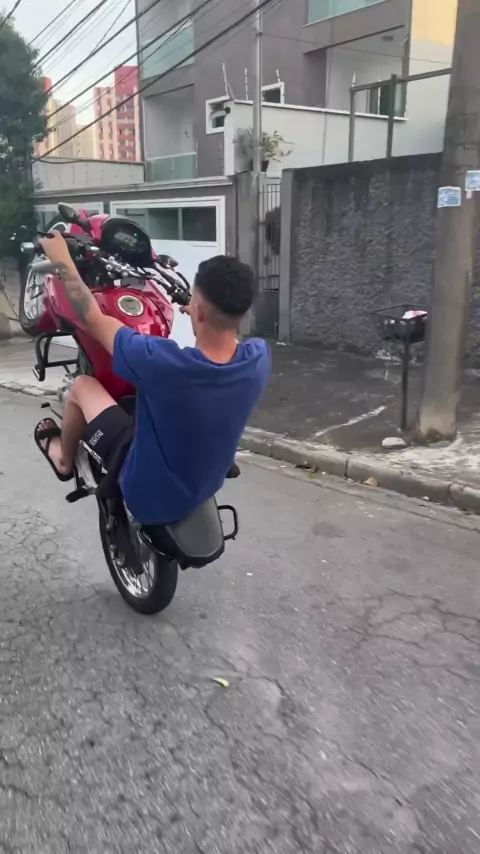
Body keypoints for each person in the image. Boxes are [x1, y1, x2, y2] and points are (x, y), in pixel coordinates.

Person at [34, 231, 270, 525]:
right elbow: (221, 342)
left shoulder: (161, 364)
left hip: (147, 494)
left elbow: (92, 318)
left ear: (198, 311)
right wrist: (199, 313)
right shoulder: (258, 357)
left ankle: (63, 460)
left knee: (82, 386)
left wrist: (62, 259)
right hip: (205, 483)